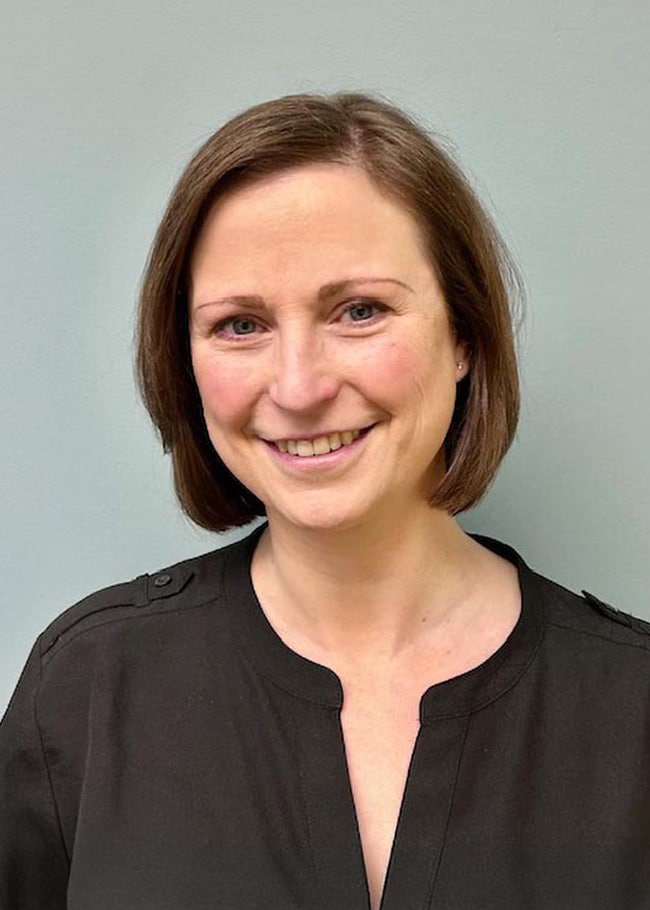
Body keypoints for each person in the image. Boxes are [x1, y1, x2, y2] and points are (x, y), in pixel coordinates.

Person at [1, 92, 648, 910]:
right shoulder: (89, 690)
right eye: (240, 325)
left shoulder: (634, 711)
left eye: (360, 311)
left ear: (465, 337)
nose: (300, 387)